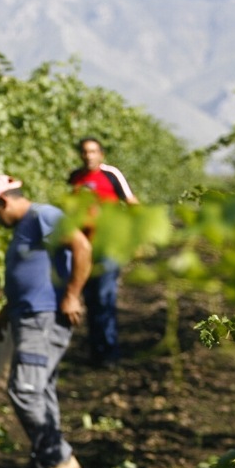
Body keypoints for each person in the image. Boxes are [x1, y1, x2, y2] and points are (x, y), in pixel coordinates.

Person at [0, 175, 92, 468]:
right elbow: (29, 275)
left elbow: (81, 246)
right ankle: (46, 463)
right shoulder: (26, 227)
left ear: (2, 201)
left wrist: (71, 295)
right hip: (29, 316)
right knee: (40, 391)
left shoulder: (43, 216)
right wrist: (6, 312)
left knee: (25, 391)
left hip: (43, 317)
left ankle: (59, 457)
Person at [67, 137, 139, 367]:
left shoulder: (111, 175)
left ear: (101, 154)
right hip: (83, 249)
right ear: (80, 155)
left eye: (93, 151)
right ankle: (97, 352)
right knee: (90, 298)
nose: (89, 156)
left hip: (108, 246)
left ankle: (110, 353)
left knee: (105, 296)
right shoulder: (75, 178)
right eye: (85, 152)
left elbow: (132, 203)